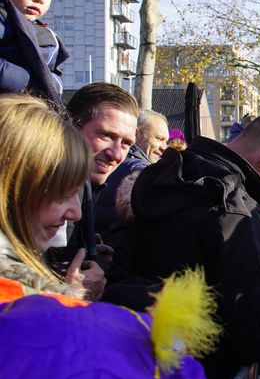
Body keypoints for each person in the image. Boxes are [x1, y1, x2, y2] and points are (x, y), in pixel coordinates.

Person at [127, 112, 260, 379]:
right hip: (198, 368)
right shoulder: (238, 213)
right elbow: (254, 335)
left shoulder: (162, 170)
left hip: (138, 352)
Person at [0, 94, 101, 300]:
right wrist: (67, 303)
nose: (76, 213)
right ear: (10, 189)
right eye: (63, 194)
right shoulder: (18, 302)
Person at [45, 82, 137, 285]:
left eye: (126, 143)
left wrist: (88, 256)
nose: (116, 154)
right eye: (105, 135)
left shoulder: (87, 185)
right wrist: (71, 293)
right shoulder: (43, 181)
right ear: (71, 126)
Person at [93, 109, 168, 234]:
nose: (164, 147)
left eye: (166, 141)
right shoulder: (142, 171)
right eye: (159, 138)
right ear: (136, 134)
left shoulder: (106, 163)